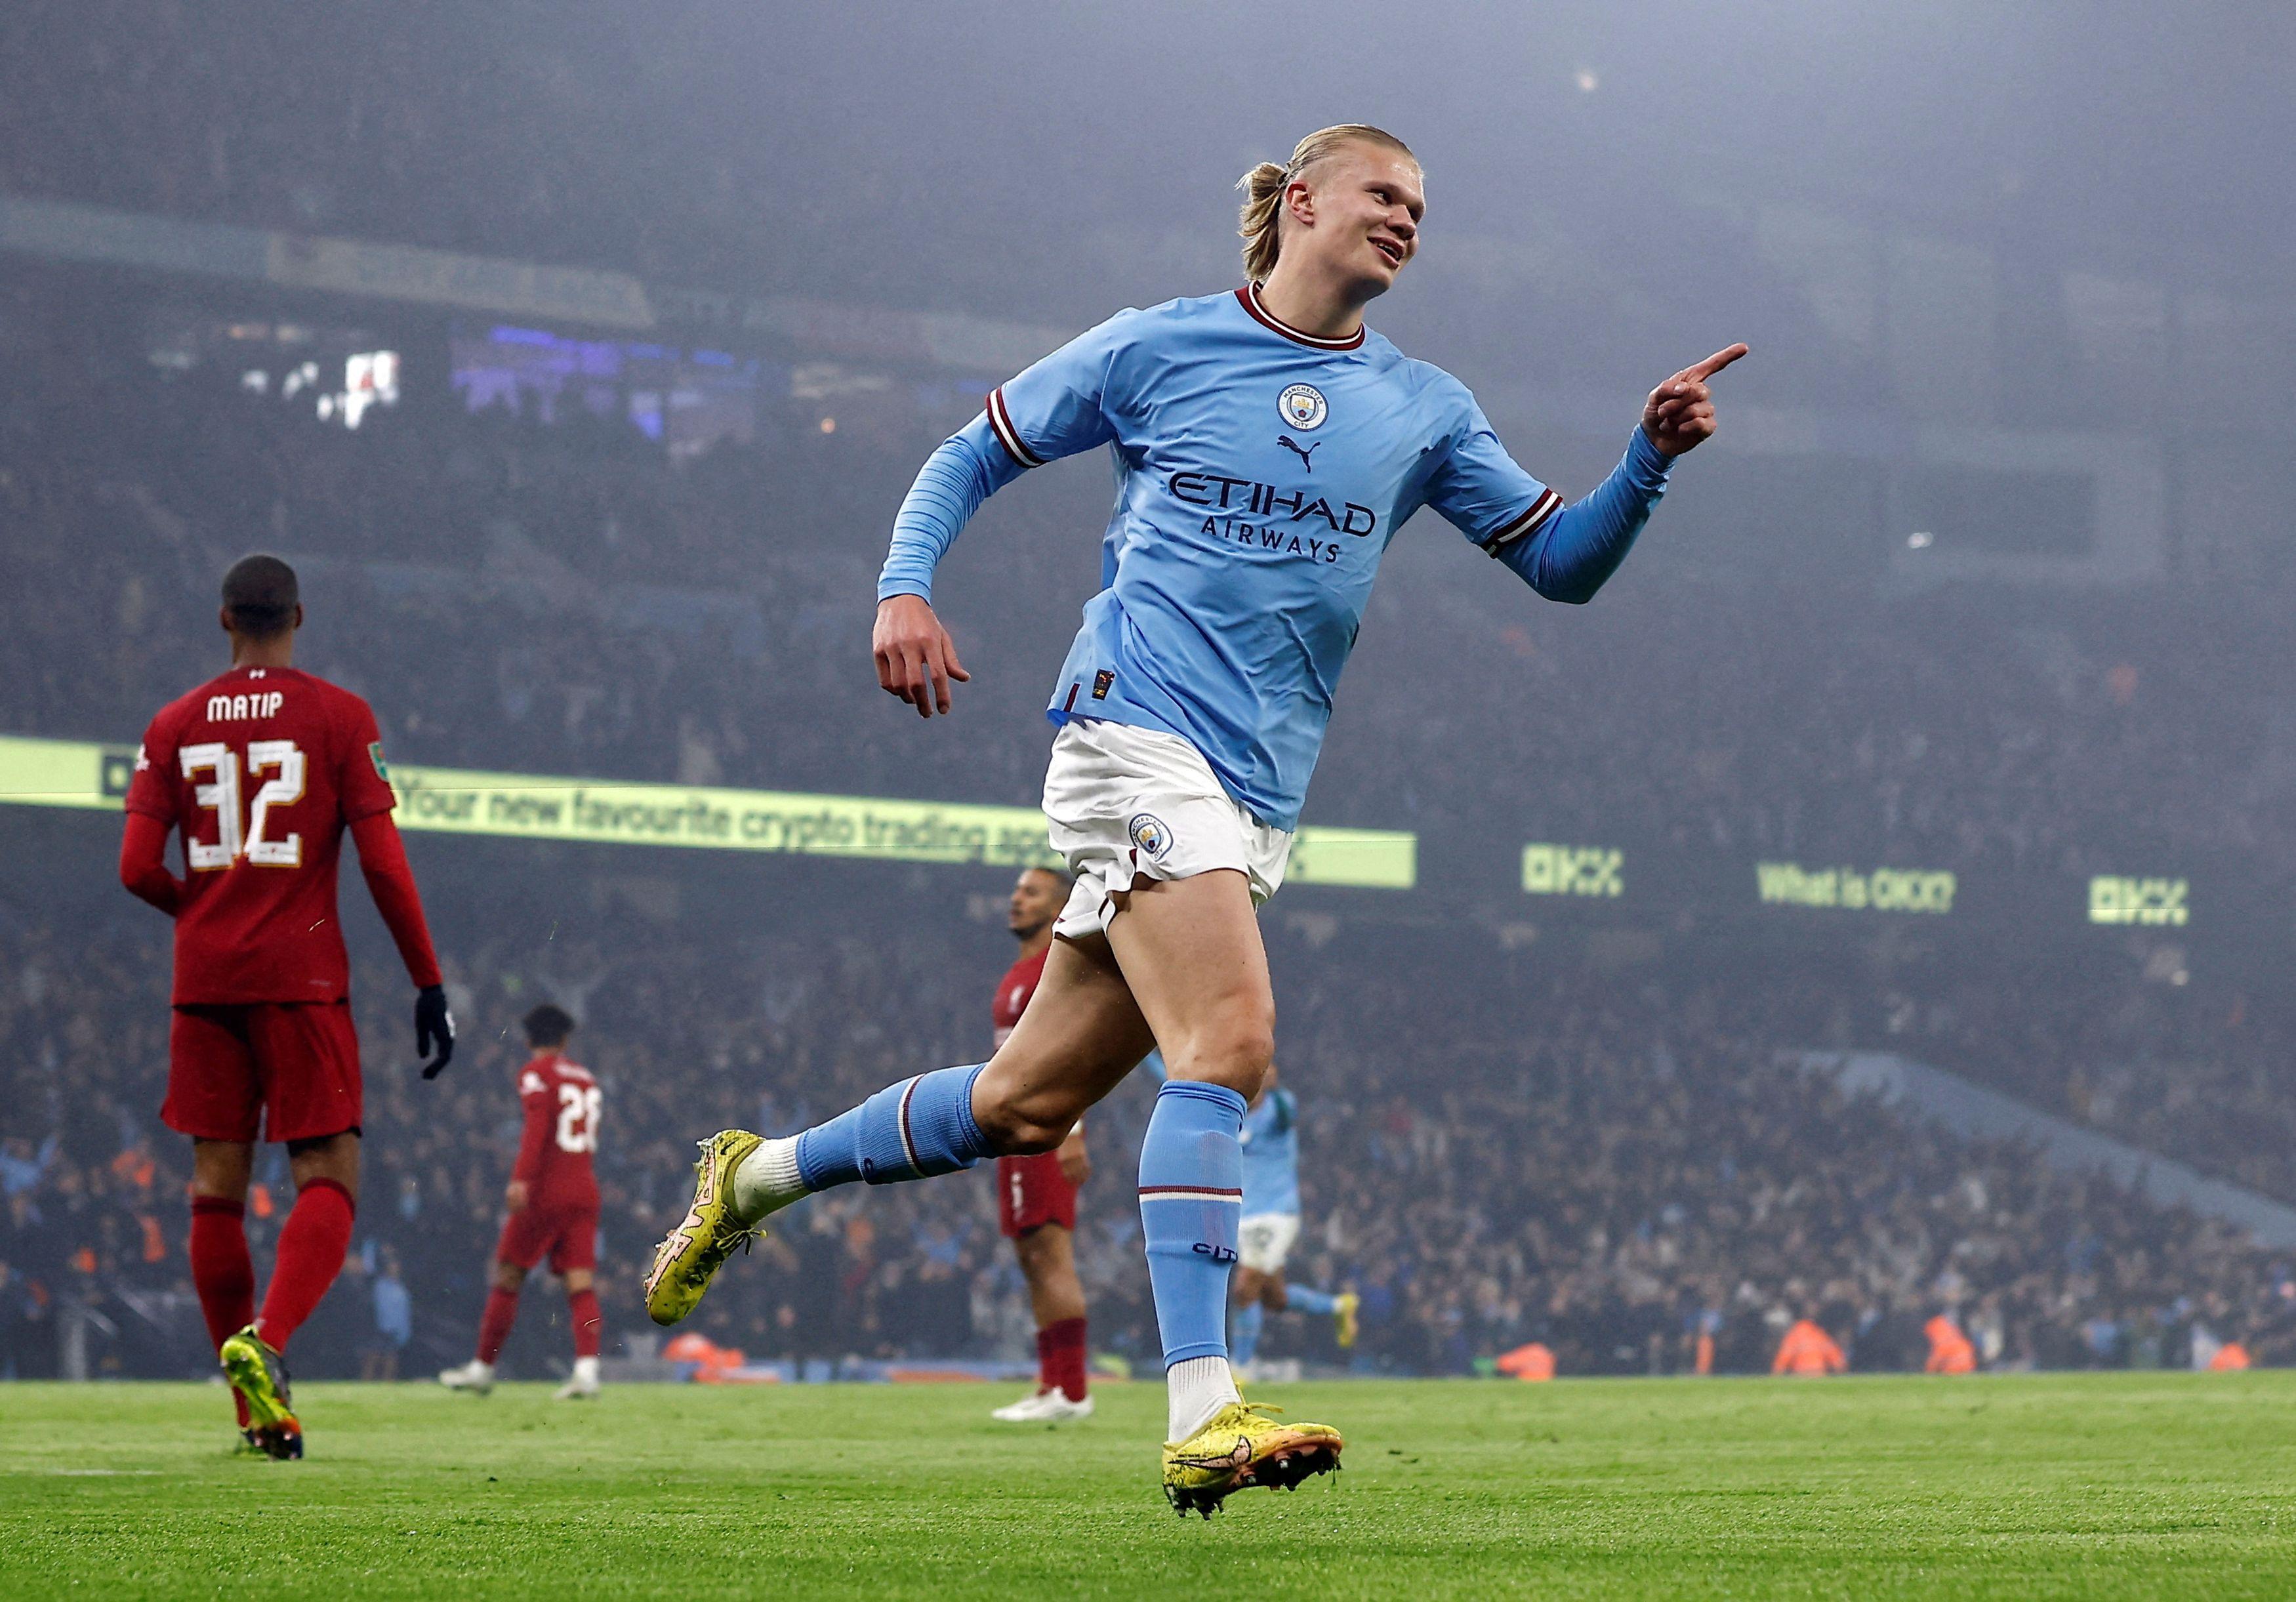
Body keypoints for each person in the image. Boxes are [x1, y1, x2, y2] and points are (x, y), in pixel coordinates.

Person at [643, 123, 1741, 1514]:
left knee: (1019, 1104)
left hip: (1255, 793)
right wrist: (901, 586)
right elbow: (964, 456)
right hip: (1128, 729)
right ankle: (1202, 1406)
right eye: (1381, 195)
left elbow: (1561, 566)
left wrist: (1645, 461)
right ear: (1298, 202)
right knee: (1229, 1045)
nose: (1406, 218)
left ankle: (756, 1178)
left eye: (1420, 207)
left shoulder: (1425, 408)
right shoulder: (1156, 346)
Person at [120, 553, 454, 1458]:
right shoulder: (340, 717)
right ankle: (266, 1342)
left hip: (206, 983)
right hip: (302, 978)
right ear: (298, 615)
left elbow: (136, 868)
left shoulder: (173, 723)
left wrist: (206, 912)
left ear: (223, 618)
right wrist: (426, 980)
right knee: (330, 1173)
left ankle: (252, 1415)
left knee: (214, 1190)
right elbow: (384, 863)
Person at [440, 1005, 605, 1400]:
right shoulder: (586, 1078)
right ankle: (587, 1371)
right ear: (564, 1041)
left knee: (508, 1275)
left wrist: (521, 1180)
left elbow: (537, 1129)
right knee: (580, 1281)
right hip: (584, 1188)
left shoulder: (535, 1074)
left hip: (547, 1190)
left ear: (529, 1040)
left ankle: (482, 1368)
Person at [986, 867, 1097, 1423]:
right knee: (1031, 1256)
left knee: (1052, 1254)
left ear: (1059, 908)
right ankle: (1051, 1383)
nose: (1016, 899)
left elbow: (1071, 1054)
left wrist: (1072, 1129)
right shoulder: (1019, 971)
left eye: (1030, 893)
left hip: (1046, 1131)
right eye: (1016, 891)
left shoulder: (1056, 967)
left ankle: (1073, 1391)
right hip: (1012, 1131)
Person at [1225, 1065, 1357, 1376]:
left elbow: (1287, 1113)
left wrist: (1273, 1089)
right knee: (1274, 1297)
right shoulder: (1239, 1118)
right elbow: (1175, 1078)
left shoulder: (1279, 1107)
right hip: (1246, 1214)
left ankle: (1241, 1367)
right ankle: (1338, 1306)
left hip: (1276, 1213)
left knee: (1245, 1288)